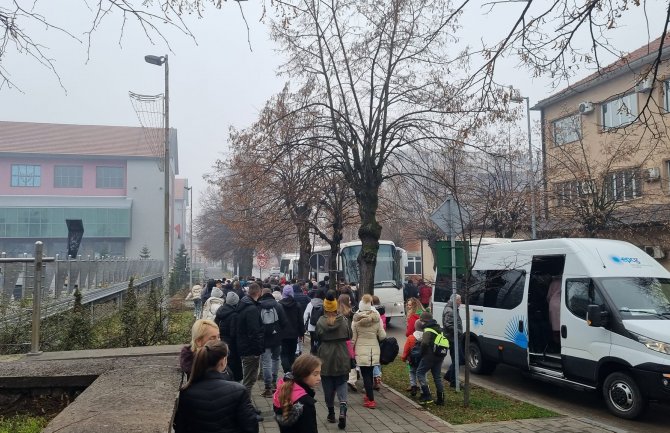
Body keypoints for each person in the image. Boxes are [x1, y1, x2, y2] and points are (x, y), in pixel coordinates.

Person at [174, 340, 258, 433]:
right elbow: (251, 427)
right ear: (223, 361)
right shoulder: (239, 390)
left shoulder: (186, 393)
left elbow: (181, 427)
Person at [316, 291, 351, 429]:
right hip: (341, 353)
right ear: (336, 307)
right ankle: (342, 407)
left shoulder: (320, 322)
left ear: (325, 307)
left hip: (325, 355)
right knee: (342, 381)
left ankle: (331, 413)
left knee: (328, 386)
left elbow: (317, 337)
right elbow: (349, 335)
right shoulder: (344, 321)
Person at [352, 294, 386, 409]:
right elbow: (382, 336)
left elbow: (353, 338)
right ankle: (368, 395)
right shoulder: (377, 318)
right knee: (370, 373)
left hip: (361, 349)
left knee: (365, 375)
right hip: (374, 349)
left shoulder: (356, 319)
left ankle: (371, 400)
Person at [272, 354, 322, 433]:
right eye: (315, 374)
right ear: (303, 374)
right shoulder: (305, 403)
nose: (319, 378)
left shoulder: (282, 389)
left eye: (319, 373)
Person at [236, 282, 265, 409]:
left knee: (248, 379)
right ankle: (245, 407)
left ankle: (245, 405)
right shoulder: (252, 309)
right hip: (251, 350)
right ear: (259, 292)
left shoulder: (243, 305)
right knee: (249, 380)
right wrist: (258, 349)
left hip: (244, 346)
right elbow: (254, 332)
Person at [259, 287, 288, 397]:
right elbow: (284, 322)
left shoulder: (258, 306)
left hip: (264, 338)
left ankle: (267, 387)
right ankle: (274, 382)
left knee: (266, 362)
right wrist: (279, 331)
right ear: (271, 294)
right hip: (276, 338)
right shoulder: (278, 306)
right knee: (276, 359)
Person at [416, 311, 446, 405]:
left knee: (420, 372)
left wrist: (421, 354)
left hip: (429, 356)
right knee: (437, 376)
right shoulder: (439, 328)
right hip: (439, 356)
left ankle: (427, 395)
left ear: (424, 320)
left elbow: (424, 343)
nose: (420, 322)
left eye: (421, 320)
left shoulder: (428, 330)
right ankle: (441, 399)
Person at [216, 291, 242, 381]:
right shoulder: (234, 315)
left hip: (221, 341)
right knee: (234, 366)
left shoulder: (220, 311)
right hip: (232, 345)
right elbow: (234, 333)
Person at [279, 284, 305, 373]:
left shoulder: (279, 305)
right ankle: (292, 370)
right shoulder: (297, 305)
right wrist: (302, 333)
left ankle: (287, 371)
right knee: (292, 353)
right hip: (294, 333)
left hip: (282, 334)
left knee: (283, 354)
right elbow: (300, 321)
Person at [442, 294, 464, 388]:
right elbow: (448, 325)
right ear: (455, 301)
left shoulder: (451, 309)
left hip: (453, 338)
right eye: (460, 301)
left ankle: (451, 378)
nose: (461, 302)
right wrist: (459, 332)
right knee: (458, 359)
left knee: (458, 359)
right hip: (452, 338)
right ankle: (452, 380)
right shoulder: (450, 311)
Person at [338, 294, 357, 392]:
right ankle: (351, 379)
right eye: (349, 300)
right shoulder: (350, 313)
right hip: (349, 340)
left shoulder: (337, 313)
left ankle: (346, 378)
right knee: (351, 358)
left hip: (341, 340)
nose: (350, 302)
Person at [401, 320, 423, 396]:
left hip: (412, 360)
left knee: (412, 372)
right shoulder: (426, 337)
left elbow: (406, 349)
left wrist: (404, 358)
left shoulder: (411, 337)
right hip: (423, 360)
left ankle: (413, 385)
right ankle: (422, 388)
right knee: (422, 374)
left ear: (415, 327)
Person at [303, 290, 325, 355]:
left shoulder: (310, 303)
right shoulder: (324, 303)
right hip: (321, 326)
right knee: (320, 340)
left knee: (312, 339)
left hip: (311, 326)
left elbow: (305, 315)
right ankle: (319, 352)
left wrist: (305, 324)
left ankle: (312, 352)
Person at [371, 296, 386, 390]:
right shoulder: (382, 312)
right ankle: (378, 378)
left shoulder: (372, 313)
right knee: (378, 360)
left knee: (372, 361)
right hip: (381, 338)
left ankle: (375, 377)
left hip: (373, 338)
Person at [547, 275, 562, 349]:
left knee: (554, 326)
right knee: (561, 327)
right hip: (562, 304)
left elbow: (549, 295)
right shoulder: (563, 281)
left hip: (553, 304)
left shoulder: (553, 283)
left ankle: (555, 345)